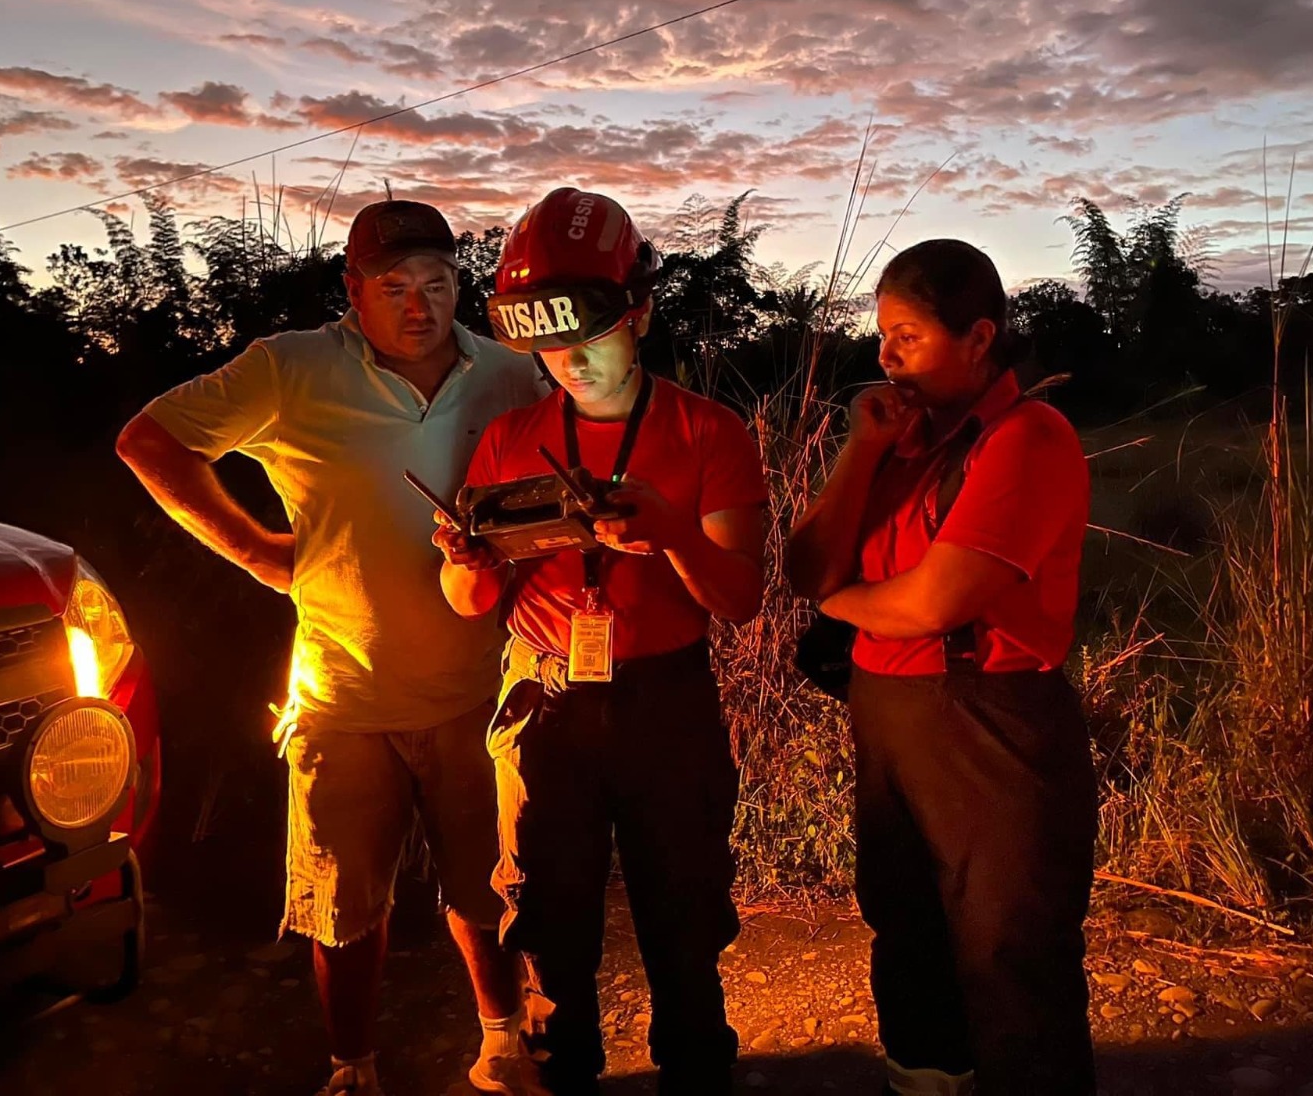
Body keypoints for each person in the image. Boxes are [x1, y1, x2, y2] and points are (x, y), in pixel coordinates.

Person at [116, 199, 552, 1096]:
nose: (419, 305)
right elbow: (150, 440)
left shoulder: (509, 376)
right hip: (341, 694)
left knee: (489, 889)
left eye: (437, 283)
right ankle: (353, 1068)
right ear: (353, 291)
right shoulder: (292, 369)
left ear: (460, 285)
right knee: (345, 910)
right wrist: (259, 552)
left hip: (479, 683)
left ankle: (504, 1040)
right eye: (394, 287)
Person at [437, 187, 767, 1096]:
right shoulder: (510, 439)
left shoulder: (709, 433)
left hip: (666, 700)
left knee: (684, 916)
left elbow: (739, 596)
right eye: (547, 342)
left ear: (642, 311)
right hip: (542, 700)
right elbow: (470, 600)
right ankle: (561, 1070)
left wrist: (672, 534)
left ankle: (696, 1071)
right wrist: (466, 557)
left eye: (590, 333)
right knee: (547, 919)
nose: (570, 360)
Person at [787, 239, 1097, 1096]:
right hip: (889, 714)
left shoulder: (1027, 439)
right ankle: (923, 1081)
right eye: (881, 335)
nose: (884, 357)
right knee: (907, 926)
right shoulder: (904, 442)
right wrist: (861, 450)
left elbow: (932, 604)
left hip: (991, 723)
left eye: (909, 336)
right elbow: (802, 566)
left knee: (1008, 948)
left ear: (979, 336)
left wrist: (840, 600)